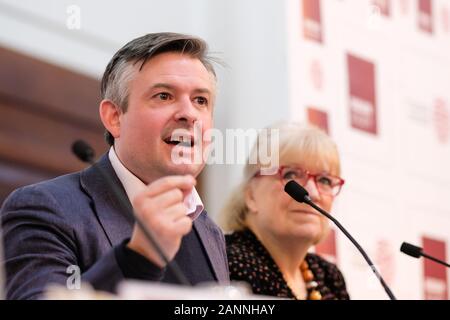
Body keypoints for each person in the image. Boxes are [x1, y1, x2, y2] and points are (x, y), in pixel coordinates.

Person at [0, 32, 229, 299]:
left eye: (200, 101)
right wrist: (138, 257)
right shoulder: (44, 207)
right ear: (114, 117)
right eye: (164, 96)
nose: (189, 114)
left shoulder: (209, 230)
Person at [220, 122, 350, 300]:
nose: (312, 193)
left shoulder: (329, 278)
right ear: (251, 195)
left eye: (325, 180)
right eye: (290, 175)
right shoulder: (226, 264)